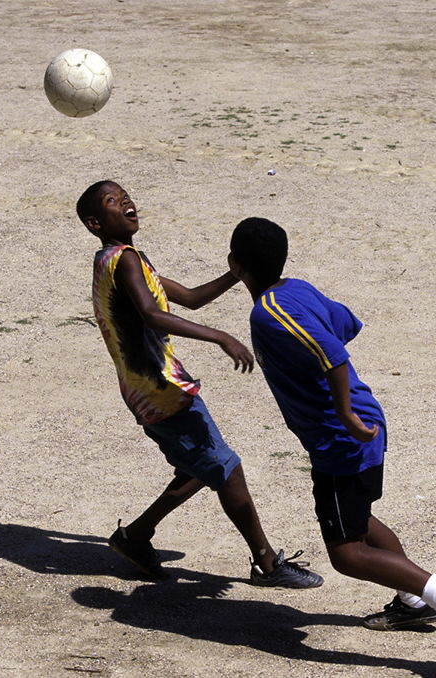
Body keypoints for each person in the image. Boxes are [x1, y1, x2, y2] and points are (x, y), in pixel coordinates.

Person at [228, 217, 436, 669]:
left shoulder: (268, 313)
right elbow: (344, 323)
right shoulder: (297, 290)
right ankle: (413, 601)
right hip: (356, 429)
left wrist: (345, 414)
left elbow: (334, 355)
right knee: (359, 520)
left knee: (347, 554)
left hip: (342, 437)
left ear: (234, 264)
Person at [76, 180, 322, 589]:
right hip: (161, 389)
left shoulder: (119, 259)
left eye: (126, 195)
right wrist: (221, 337)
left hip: (145, 388)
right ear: (94, 223)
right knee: (225, 467)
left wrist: (235, 274)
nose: (126, 202)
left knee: (201, 465)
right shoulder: (126, 261)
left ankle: (136, 536)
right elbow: (152, 315)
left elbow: (190, 297)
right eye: (113, 201)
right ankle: (266, 563)